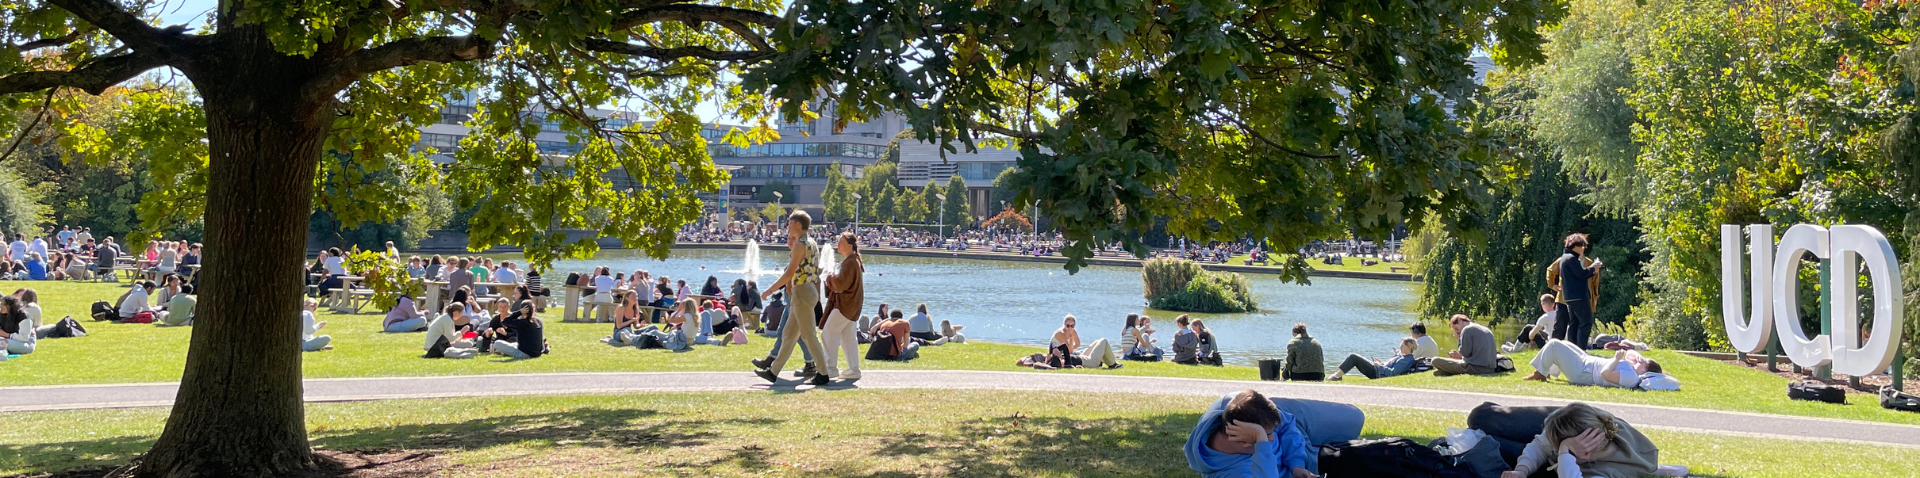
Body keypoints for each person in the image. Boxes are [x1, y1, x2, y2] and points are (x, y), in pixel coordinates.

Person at [751, 210, 831, 385]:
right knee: (789, 334)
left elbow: (789, 272)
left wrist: (769, 290)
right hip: (806, 291)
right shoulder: (811, 243)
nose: (787, 226)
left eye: (789, 223)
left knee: (809, 336)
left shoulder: (800, 245)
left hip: (802, 292)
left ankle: (823, 373)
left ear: (797, 225)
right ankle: (773, 372)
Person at [1184, 390, 1319, 478]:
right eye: (1267, 436)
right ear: (1243, 441)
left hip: (1300, 460)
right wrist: (1261, 437)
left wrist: (1296, 464)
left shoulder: (1238, 410)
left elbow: (1286, 424)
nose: (1272, 439)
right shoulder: (1235, 473)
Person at [1502, 403, 1660, 478]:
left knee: (1493, 442)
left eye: (1560, 448)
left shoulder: (1609, 472)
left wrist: (1565, 453)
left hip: (1557, 463)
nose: (1557, 451)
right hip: (1566, 419)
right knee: (1482, 417)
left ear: (1586, 451)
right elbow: (1541, 445)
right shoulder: (1602, 423)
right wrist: (1522, 470)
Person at [1523, 339, 1661, 389]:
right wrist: (1640, 359)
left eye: (1643, 363)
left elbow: (1605, 374)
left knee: (1554, 345)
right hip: (1587, 364)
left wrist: (1616, 359)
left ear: (1646, 371)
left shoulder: (1632, 377)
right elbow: (1631, 353)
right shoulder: (1633, 371)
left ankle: (1540, 374)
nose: (1639, 361)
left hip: (1584, 373)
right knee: (1563, 343)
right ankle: (1546, 372)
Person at [820, 232, 864, 381]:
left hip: (845, 305)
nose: (838, 245)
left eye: (841, 243)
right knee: (847, 337)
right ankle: (853, 369)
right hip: (852, 305)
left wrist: (830, 277)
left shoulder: (851, 262)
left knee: (828, 332)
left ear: (850, 246)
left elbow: (841, 284)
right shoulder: (853, 261)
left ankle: (831, 367)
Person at [1548, 233, 1604, 349]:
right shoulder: (1572, 259)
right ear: (1576, 246)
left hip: (1569, 297)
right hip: (1579, 296)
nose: (1583, 249)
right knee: (1585, 323)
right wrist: (1594, 268)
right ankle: (1581, 350)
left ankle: (1572, 350)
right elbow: (1582, 274)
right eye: (1582, 246)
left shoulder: (1564, 257)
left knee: (1574, 323)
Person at [1432, 314, 1500, 377]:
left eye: (1456, 328)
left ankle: (1447, 371)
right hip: (1490, 368)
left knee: (1435, 360)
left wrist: (1459, 337)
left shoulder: (1467, 329)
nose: (1457, 331)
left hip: (1476, 368)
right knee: (1437, 373)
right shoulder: (1485, 329)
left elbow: (1465, 352)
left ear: (1460, 320)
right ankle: (1445, 372)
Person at [1049, 314, 1121, 369]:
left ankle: (1105, 360)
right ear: (1064, 325)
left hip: (1080, 357)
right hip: (1086, 362)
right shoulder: (1061, 334)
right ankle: (1113, 364)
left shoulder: (1071, 331)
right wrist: (1071, 338)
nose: (1070, 328)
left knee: (1097, 342)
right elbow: (1069, 351)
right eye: (1068, 325)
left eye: (1072, 326)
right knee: (1103, 341)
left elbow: (1077, 344)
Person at [1330, 338, 1419, 380]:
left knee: (1353, 357)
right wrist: (1381, 363)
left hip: (1377, 373)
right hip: (1378, 369)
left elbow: (1393, 373)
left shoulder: (1406, 360)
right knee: (1354, 357)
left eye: (1402, 345)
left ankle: (1336, 376)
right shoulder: (1402, 356)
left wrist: (1380, 365)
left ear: (1409, 347)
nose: (1400, 347)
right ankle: (1337, 375)